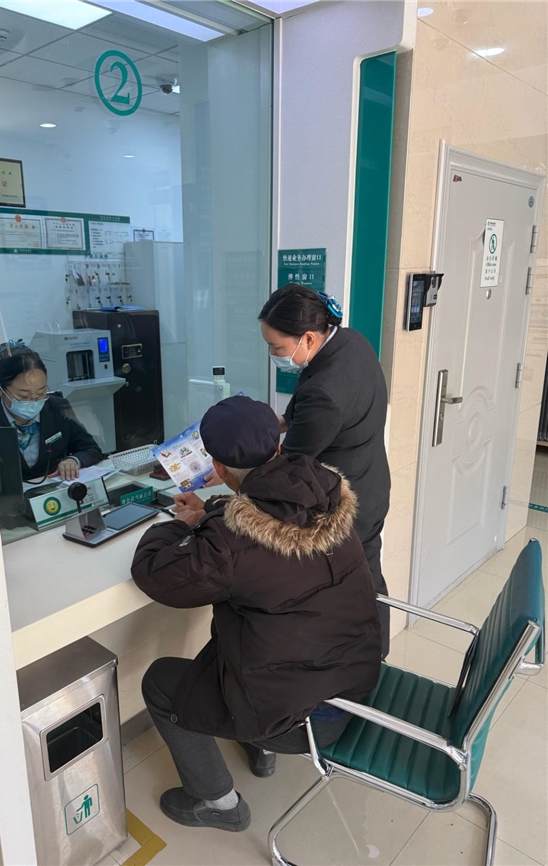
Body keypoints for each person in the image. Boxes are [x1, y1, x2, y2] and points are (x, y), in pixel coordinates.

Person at [131, 395, 381, 833]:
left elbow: (154, 574)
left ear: (217, 467)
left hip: (302, 718)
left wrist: (178, 525)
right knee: (245, 640)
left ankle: (217, 802)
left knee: (160, 681)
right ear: (277, 448)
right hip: (354, 685)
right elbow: (268, 513)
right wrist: (211, 513)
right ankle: (258, 749)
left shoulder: (230, 545)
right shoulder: (323, 491)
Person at [259, 283, 391, 656]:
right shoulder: (349, 342)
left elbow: (288, 468)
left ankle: (359, 663)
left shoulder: (326, 395)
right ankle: (377, 656)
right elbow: (305, 406)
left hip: (346, 506)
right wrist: (274, 423)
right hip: (372, 483)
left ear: (308, 338)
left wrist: (233, 469)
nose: (272, 354)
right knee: (369, 576)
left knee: (348, 590)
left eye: (277, 348)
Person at [0, 348, 102, 481]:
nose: (34, 401)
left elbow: (91, 449)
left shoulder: (58, 408)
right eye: (23, 396)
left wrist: (74, 460)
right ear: (1, 391)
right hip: (4, 494)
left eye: (41, 393)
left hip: (52, 487)